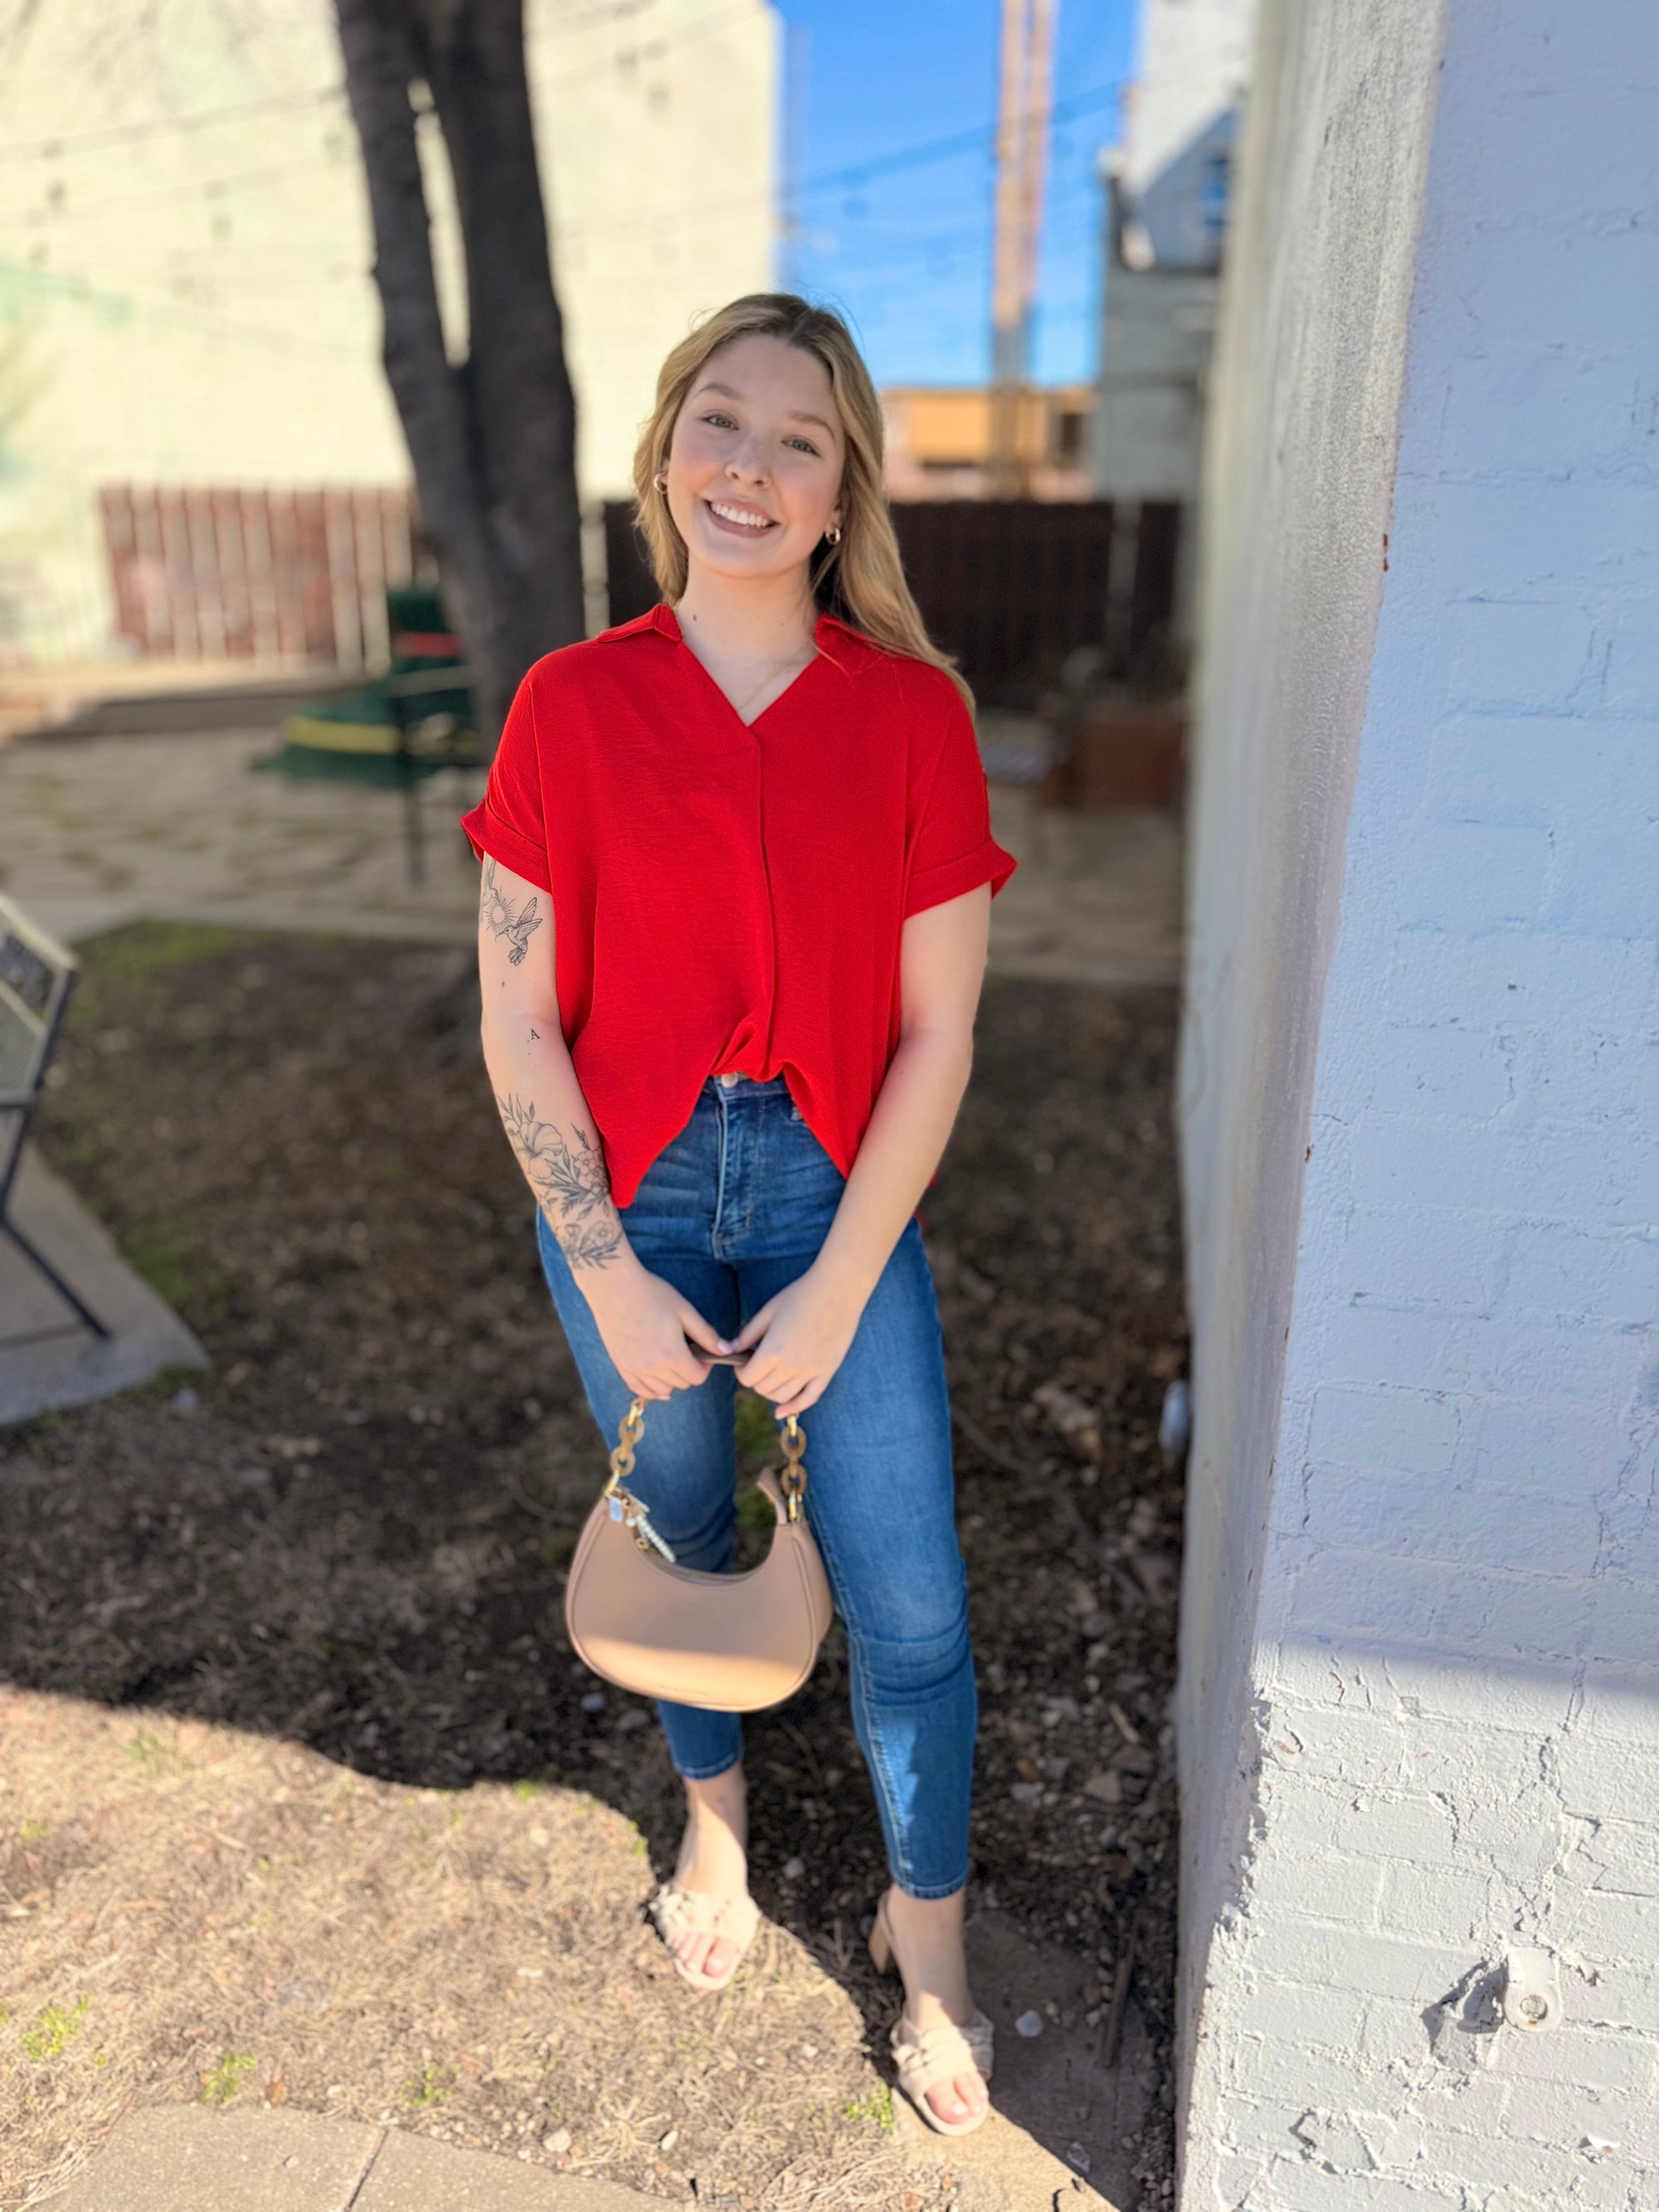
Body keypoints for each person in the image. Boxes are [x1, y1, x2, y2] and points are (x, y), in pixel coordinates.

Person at [462, 293, 1017, 2137]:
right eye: (721, 419)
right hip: (627, 1197)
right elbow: (516, 1013)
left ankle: (919, 1922)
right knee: (692, 1535)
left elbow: (939, 1032)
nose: (751, 465)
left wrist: (846, 1276)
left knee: (908, 1590)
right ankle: (716, 1833)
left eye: (797, 435)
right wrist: (604, 1265)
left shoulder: (913, 718)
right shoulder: (574, 702)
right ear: (664, 454)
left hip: (829, 1191)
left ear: (845, 484)